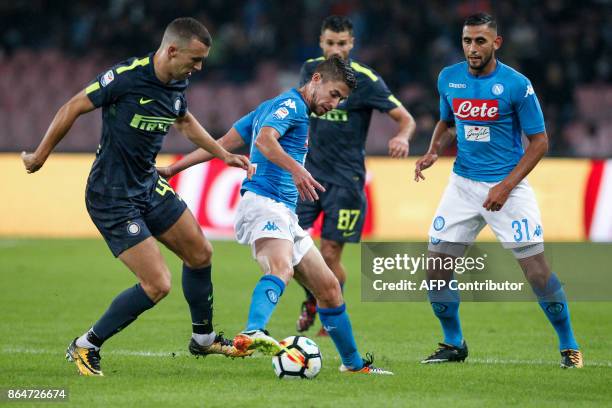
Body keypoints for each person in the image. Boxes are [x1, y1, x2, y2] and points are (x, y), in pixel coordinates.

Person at [21, 17, 254, 377]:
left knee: (200, 253)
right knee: (158, 284)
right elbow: (72, 106)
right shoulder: (127, 77)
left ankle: (203, 339)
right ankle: (86, 345)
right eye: (195, 59)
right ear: (171, 50)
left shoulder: (178, 81)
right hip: (111, 194)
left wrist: (222, 154)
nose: (199, 67)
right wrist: (39, 156)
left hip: (147, 184)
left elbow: (184, 120)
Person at [159, 56, 393, 375]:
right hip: (264, 202)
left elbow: (223, 144)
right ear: (316, 79)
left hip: (284, 211)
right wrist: (297, 169)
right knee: (280, 267)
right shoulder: (290, 106)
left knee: (328, 288)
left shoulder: (273, 107)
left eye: (341, 99)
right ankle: (253, 331)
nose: (335, 104)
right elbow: (265, 140)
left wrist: (173, 168)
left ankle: (353, 366)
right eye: (334, 94)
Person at [414, 13, 582, 368]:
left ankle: (569, 346)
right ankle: (453, 342)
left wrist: (506, 187)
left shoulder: (517, 85)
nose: (472, 49)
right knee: (436, 269)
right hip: (462, 185)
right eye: (467, 41)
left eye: (480, 41)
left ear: (496, 43)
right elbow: (448, 121)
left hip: (508, 186)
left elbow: (539, 142)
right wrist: (433, 149)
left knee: (536, 272)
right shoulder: (449, 78)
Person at [295, 15, 417, 336]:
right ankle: (312, 297)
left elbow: (406, 119)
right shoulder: (310, 70)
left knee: (330, 254)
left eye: (342, 43)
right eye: (330, 43)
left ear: (352, 44)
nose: (336, 49)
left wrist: (402, 136)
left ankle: (330, 312)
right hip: (309, 176)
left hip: (346, 182)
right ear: (321, 43)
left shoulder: (366, 80)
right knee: (289, 246)